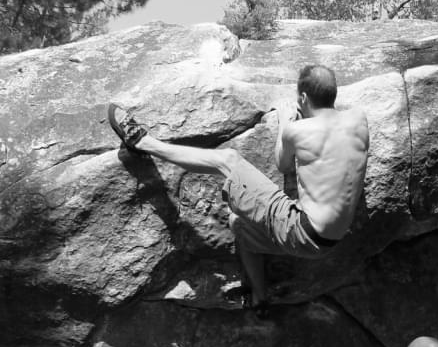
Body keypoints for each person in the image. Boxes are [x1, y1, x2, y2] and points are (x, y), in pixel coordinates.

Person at [108, 64, 369, 314]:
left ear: (302, 98)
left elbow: (283, 164)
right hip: (328, 242)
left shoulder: (298, 131)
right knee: (240, 226)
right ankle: (260, 299)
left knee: (229, 160)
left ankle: (144, 143)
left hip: (300, 229)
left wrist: (284, 122)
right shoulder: (359, 119)